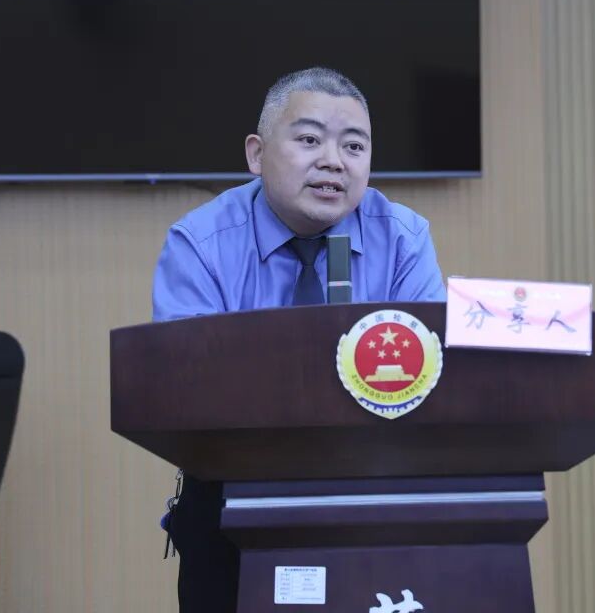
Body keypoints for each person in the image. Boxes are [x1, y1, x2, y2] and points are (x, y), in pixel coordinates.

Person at [151, 66, 446, 612]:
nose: (334, 161)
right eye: (310, 140)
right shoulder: (202, 243)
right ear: (257, 154)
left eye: (354, 146)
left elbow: (430, 379)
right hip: (232, 495)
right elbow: (184, 390)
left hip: (372, 491)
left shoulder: (404, 239)